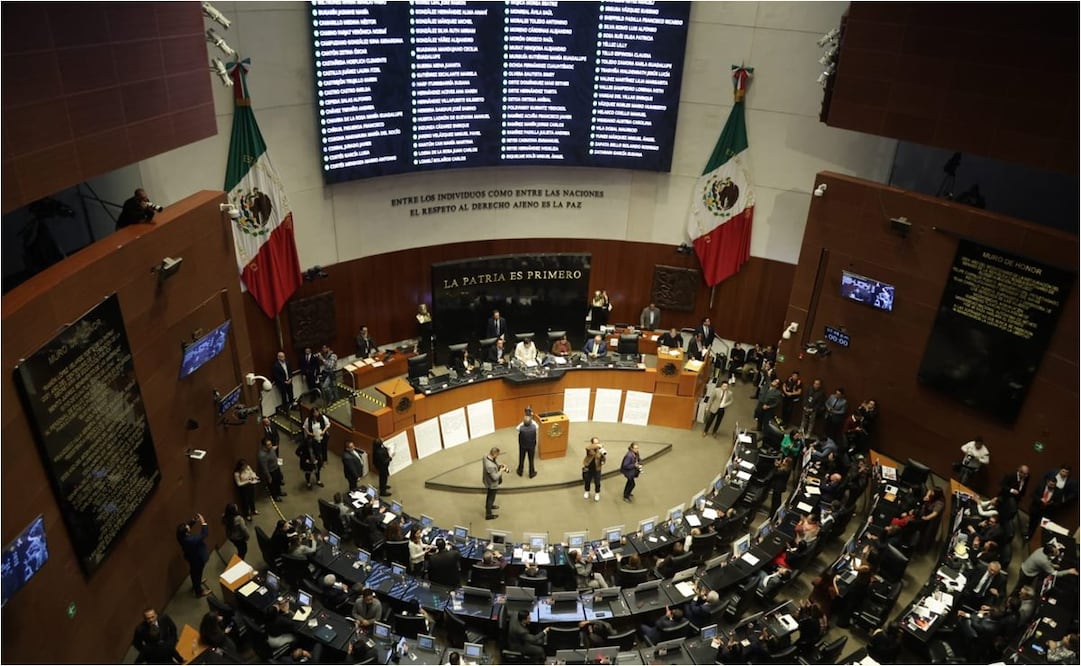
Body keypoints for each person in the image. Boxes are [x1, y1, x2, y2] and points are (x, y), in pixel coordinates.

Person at [1026, 465, 1079, 540]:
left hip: (1048, 511)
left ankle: (1037, 538)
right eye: (1063, 471)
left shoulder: (1059, 491)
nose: (1064, 474)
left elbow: (1058, 503)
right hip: (1036, 508)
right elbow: (1033, 494)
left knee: (1043, 526)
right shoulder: (1042, 485)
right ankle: (1029, 535)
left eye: (1066, 472)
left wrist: (1053, 503)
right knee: (1032, 523)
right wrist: (1040, 500)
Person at [177, 514, 210, 598]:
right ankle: (199, 592)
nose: (188, 526)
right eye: (187, 527)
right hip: (197, 558)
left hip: (190, 556)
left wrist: (194, 520)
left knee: (193, 572)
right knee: (197, 572)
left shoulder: (180, 536)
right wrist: (203, 522)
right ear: (186, 532)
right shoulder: (191, 540)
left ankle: (197, 583)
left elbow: (187, 527)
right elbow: (204, 534)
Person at [302, 407, 331, 480]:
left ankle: (324, 460)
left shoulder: (322, 417)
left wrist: (324, 431)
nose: (316, 414)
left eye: (317, 412)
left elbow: (328, 424)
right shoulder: (308, 420)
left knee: (324, 449)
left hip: (322, 436)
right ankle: (318, 462)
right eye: (314, 412)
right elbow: (305, 427)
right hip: (314, 438)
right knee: (317, 451)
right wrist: (309, 433)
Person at [482, 447, 507, 520]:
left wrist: (499, 465)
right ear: (494, 454)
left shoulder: (485, 456)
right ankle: (488, 514)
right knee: (491, 497)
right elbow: (495, 477)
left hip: (487, 480)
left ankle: (490, 506)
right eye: (497, 455)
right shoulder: (490, 466)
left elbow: (494, 462)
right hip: (492, 484)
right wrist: (501, 471)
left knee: (490, 496)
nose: (497, 456)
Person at [516, 408, 538, 478]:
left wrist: (526, 418)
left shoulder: (521, 428)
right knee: (531, 460)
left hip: (522, 446)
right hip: (531, 446)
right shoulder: (534, 427)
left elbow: (517, 427)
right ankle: (531, 473)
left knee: (521, 459)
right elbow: (535, 424)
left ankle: (520, 471)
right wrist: (530, 417)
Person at [582, 437, 606, 501]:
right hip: (588, 467)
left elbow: (603, 457)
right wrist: (597, 445)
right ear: (592, 443)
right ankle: (587, 491)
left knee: (597, 482)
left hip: (597, 468)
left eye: (598, 442)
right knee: (587, 480)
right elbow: (587, 448)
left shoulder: (601, 449)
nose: (597, 444)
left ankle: (597, 493)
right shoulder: (590, 448)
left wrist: (603, 460)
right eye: (595, 443)